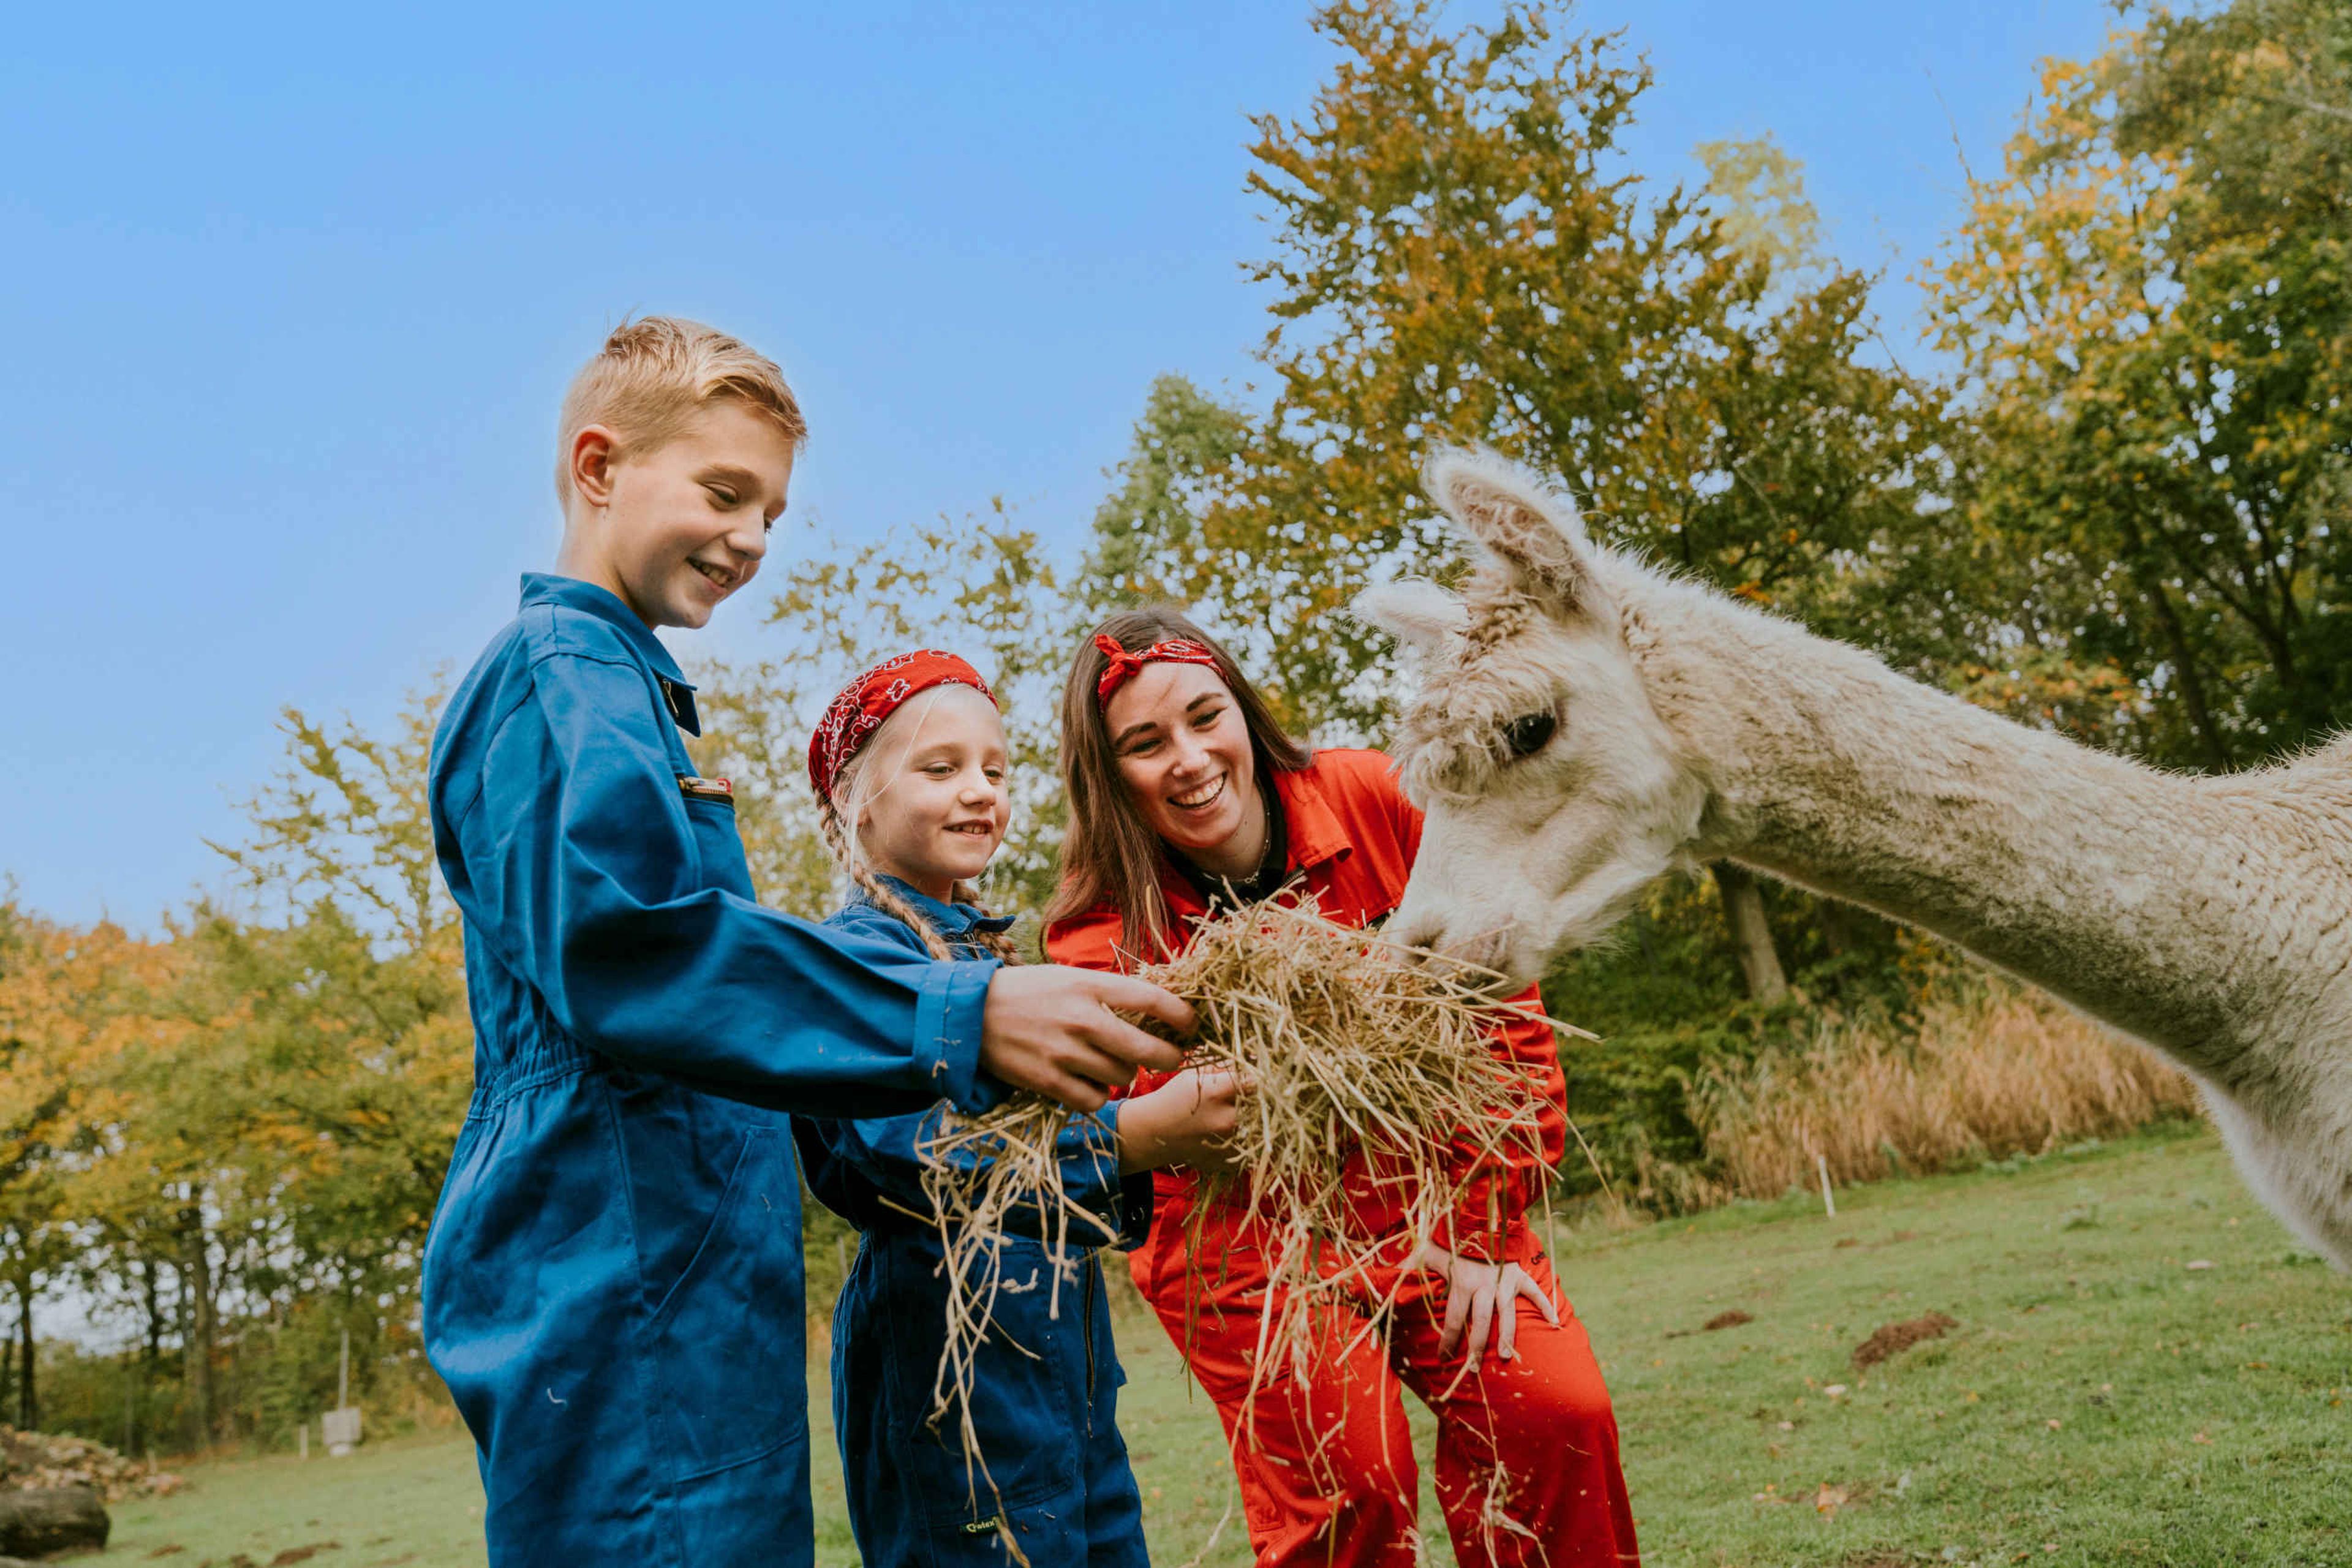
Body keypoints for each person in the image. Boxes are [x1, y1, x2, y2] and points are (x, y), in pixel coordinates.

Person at [423, 318, 1189, 1567]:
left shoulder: (625, 684)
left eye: (772, 511)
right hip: (614, 1279)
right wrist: (968, 1017)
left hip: (691, 1283)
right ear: (597, 464)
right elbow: (639, 950)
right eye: (723, 492)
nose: (749, 539)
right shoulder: (560, 674)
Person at [1042, 607, 1642, 1568]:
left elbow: (1509, 1022)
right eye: (1145, 745)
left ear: (1241, 710)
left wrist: (1478, 1230)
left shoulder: (1379, 797)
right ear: (1109, 775)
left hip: (1441, 1204)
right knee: (1354, 1479)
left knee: (1555, 1412)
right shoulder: (1099, 929)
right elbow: (1124, 1130)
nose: (1190, 759)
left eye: (1205, 717)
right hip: (1252, 1245)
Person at [791, 649, 1239, 1566]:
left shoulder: (989, 958)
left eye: (996, 770)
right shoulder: (855, 966)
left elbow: (1054, 1153)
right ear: (856, 799)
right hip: (944, 1376)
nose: (981, 792)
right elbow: (913, 1157)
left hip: (1061, 1364)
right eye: (941, 768)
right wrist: (1135, 1140)